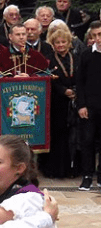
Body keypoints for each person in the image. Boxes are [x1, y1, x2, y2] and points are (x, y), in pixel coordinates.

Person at [40, 26, 78, 179]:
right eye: (58, 43)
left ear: (69, 43)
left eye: (64, 42)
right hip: (56, 102)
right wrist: (63, 91)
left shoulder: (76, 57)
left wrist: (75, 91)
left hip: (74, 101)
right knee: (57, 136)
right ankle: (55, 170)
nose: (61, 45)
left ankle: (72, 169)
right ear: (53, 44)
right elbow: (48, 80)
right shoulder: (48, 59)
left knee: (73, 137)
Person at [76, 21, 101, 191]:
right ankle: (87, 176)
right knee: (87, 140)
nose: (98, 38)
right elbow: (80, 82)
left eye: (100, 34)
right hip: (89, 107)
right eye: (95, 36)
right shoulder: (86, 55)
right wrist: (81, 105)